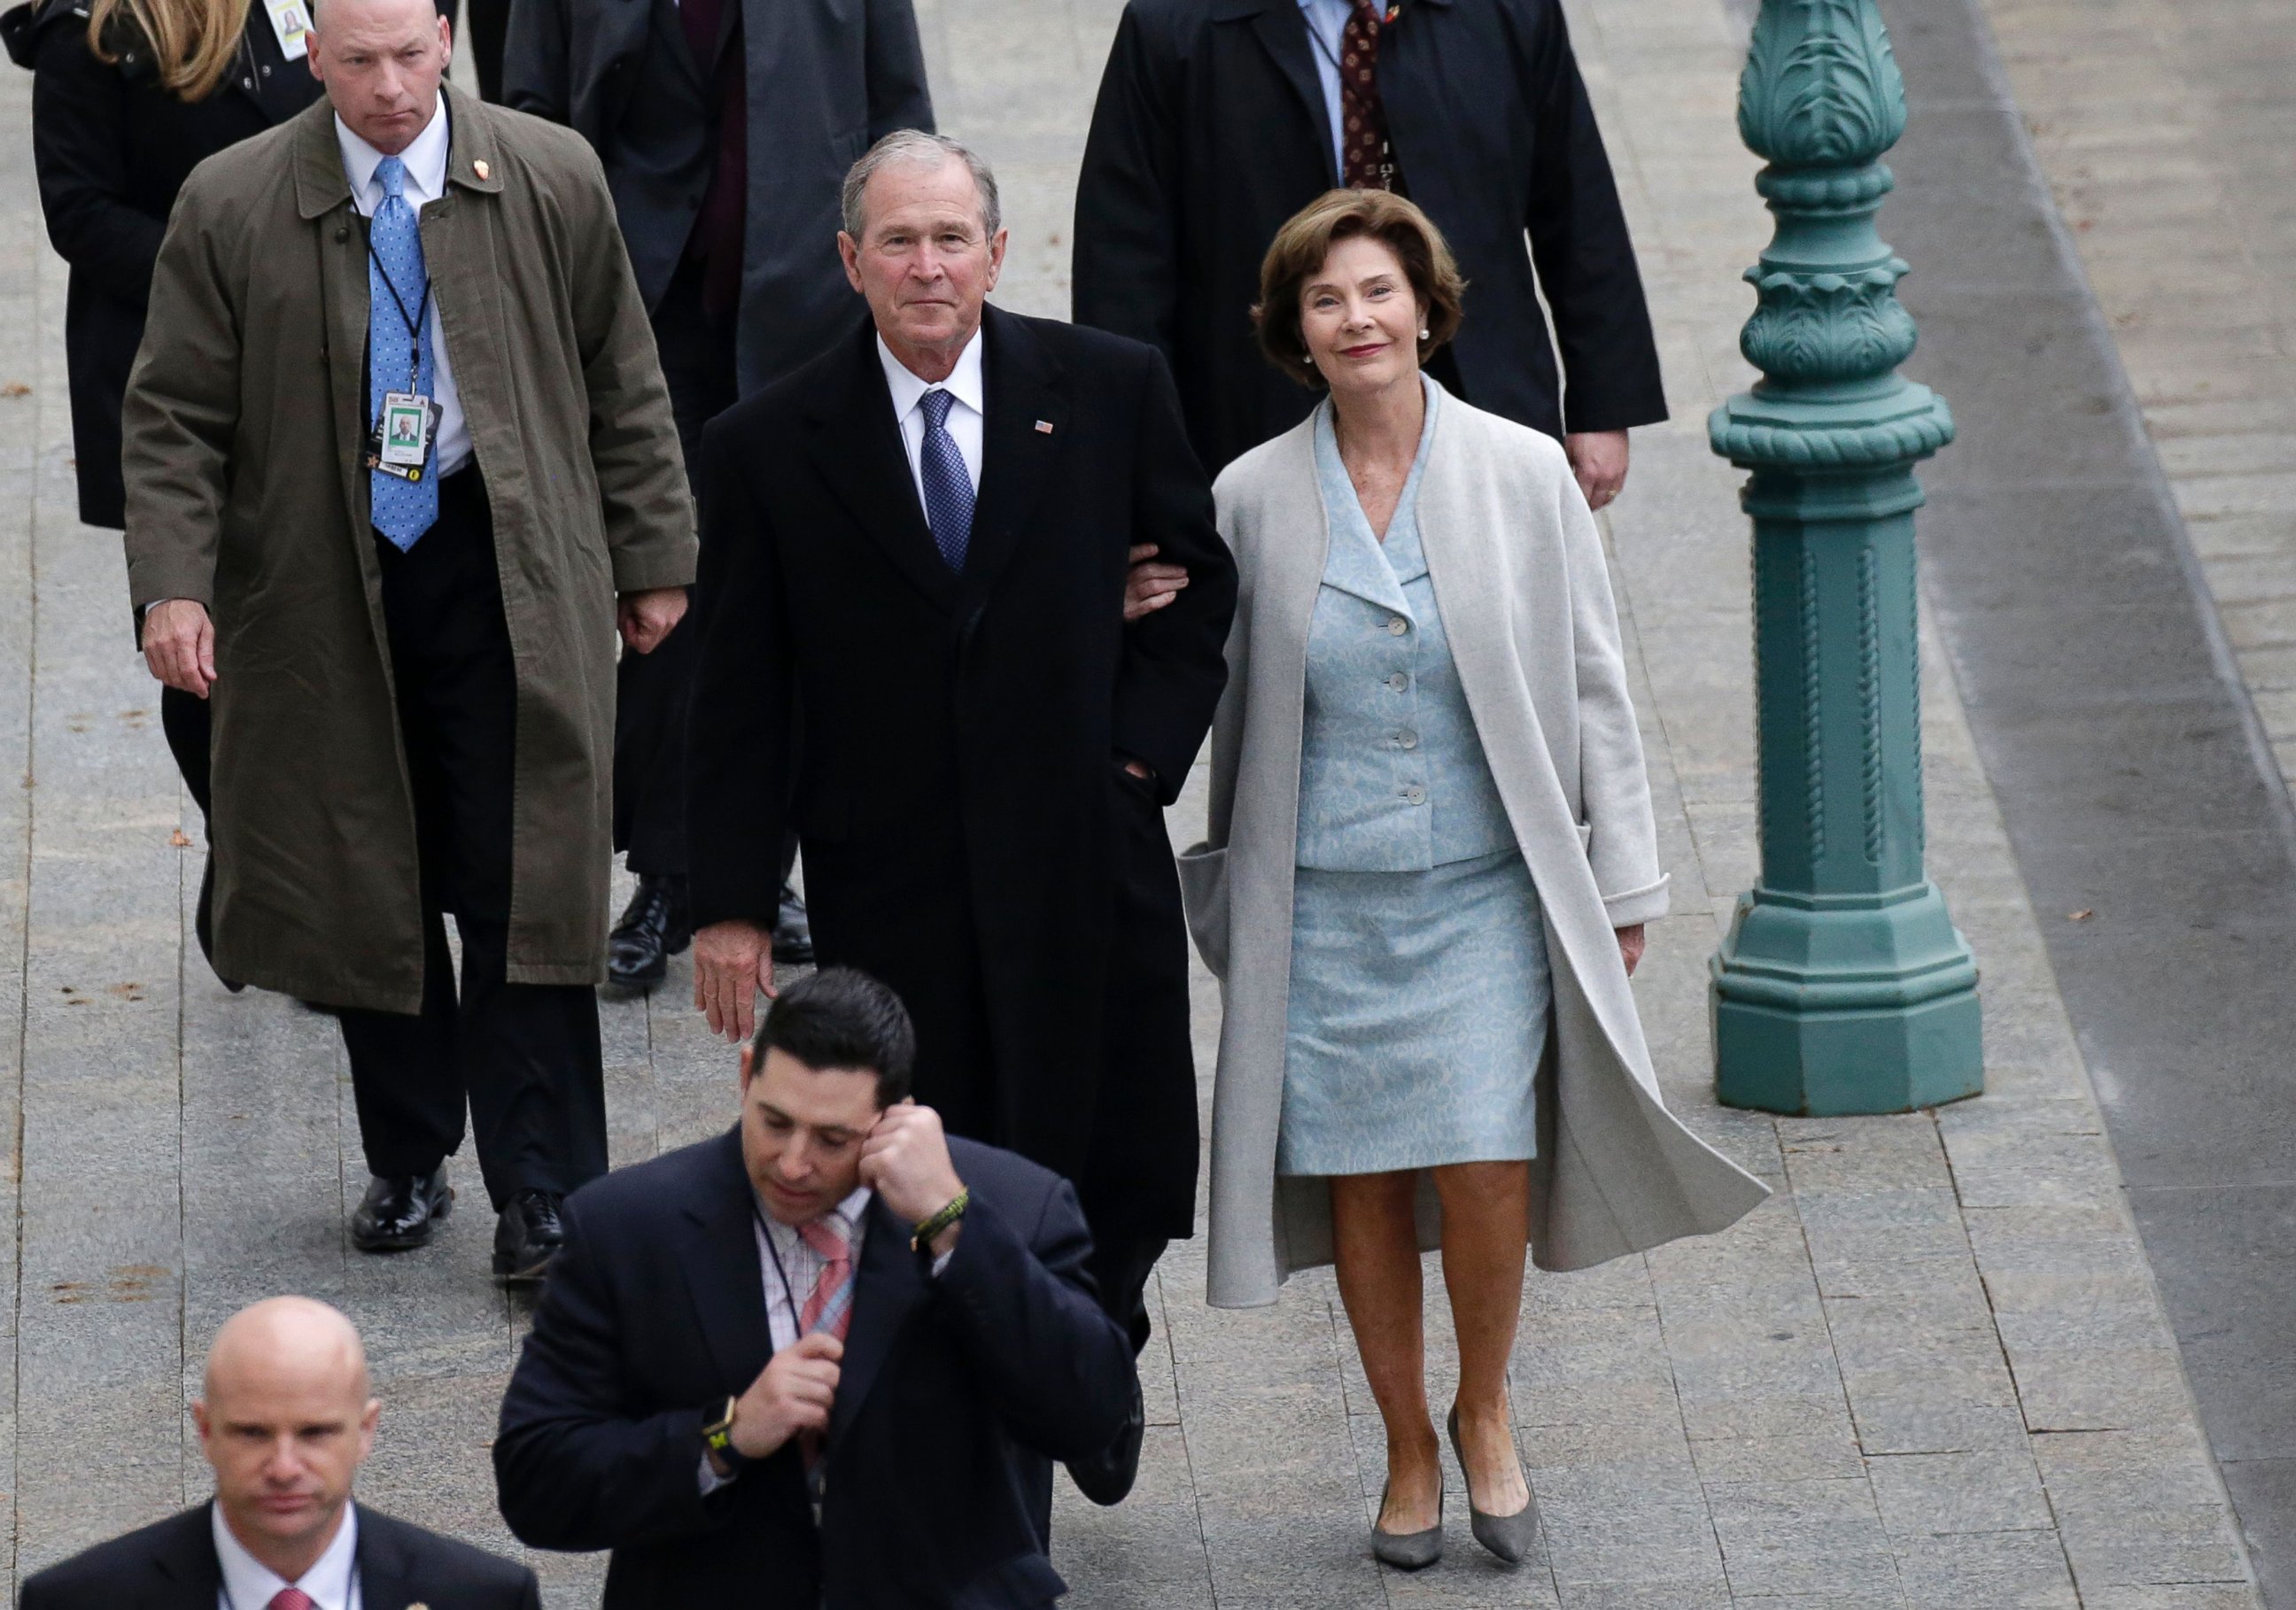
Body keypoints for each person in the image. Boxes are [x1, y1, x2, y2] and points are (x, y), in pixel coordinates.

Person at [1185, 190, 1766, 1568]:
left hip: (1486, 889)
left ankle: (1486, 1402)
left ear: (1428, 307)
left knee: (1489, 1162)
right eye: (1327, 301)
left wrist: (1621, 877)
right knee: (1362, 1180)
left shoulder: (1521, 471)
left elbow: (1594, 679)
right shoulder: (1249, 498)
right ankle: (1402, 1445)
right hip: (1323, 900)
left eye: (1379, 292)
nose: (1357, 319)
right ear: (1295, 333)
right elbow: (1208, 703)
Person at [683, 131, 1235, 1500]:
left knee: (1128, 1157)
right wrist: (733, 901)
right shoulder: (769, 444)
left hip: (1081, 863)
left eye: (950, 239)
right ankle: (1006, 1446)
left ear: (997, 250)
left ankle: (1094, 1352)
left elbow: (1195, 596)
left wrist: (1131, 767)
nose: (926, 266)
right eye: (897, 241)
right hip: (900, 887)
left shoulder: (1105, 391)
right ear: (848, 262)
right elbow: (741, 693)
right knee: (947, 1164)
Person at [121, 0, 694, 1279]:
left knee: (522, 878)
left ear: (449, 37)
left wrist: (653, 552)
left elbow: (623, 373)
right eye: (357, 60)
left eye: (409, 54)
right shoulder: (234, 199)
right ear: (312, 54)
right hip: (325, 582)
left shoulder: (549, 174)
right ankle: (410, 1148)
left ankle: (546, 1191)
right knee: (362, 868)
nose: (388, 87)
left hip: (509, 573)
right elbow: (171, 414)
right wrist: (174, 585)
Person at [502, 0, 932, 991]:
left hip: (804, 311)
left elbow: (901, 117)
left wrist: (903, 292)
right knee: (666, 589)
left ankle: (752, 866)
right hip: (640, 310)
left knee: (797, 594)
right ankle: (670, 869)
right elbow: (532, 108)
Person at [493, 967, 1136, 1606]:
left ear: (894, 1121)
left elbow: (1088, 1416)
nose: (794, 1163)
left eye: (833, 1140)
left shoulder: (1021, 1209)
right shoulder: (625, 1229)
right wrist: (725, 1435)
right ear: (747, 1076)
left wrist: (952, 1227)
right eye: (774, 1122)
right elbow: (537, 1479)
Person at [5, 0, 322, 987]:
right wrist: (232, 274)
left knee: (316, 629)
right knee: (207, 646)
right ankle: (258, 864)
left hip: (316, 362)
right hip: (169, 381)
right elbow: (80, 214)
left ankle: (294, 869)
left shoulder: (301, 12)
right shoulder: (91, 37)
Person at [1070, 0, 1666, 506]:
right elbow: (1123, 260)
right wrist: (1138, 457)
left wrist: (1601, 407)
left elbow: (1578, 206)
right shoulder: (1172, 24)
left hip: (1485, 393)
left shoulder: (1510, 10)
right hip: (1256, 409)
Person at [20, 1296, 539, 1609]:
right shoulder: (79, 1605)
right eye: (252, 1433)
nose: (284, 1468)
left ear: (366, 1431)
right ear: (205, 1431)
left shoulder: (481, 1599)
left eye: (315, 1432)